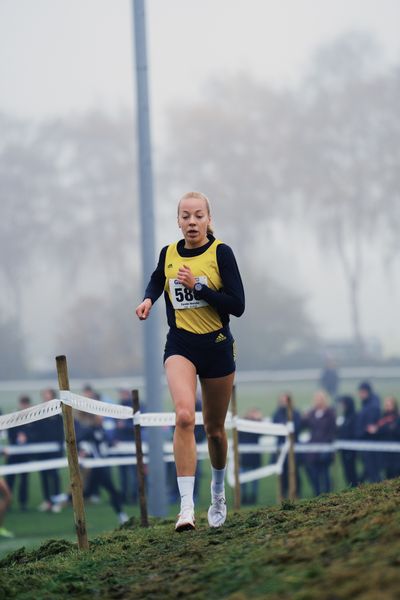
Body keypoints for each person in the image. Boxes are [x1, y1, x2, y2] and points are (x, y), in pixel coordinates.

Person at [135, 191, 245, 532]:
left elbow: (237, 305)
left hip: (216, 346)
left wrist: (198, 287)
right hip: (181, 344)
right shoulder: (168, 253)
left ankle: (216, 492)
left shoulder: (220, 253)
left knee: (214, 430)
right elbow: (158, 277)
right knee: (184, 416)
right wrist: (149, 299)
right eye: (186, 216)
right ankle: (186, 509)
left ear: (209, 219)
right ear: (179, 220)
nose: (192, 222)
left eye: (198, 215)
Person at [78, 414, 128, 525]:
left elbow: (104, 443)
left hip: (101, 467)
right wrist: (83, 450)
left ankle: (121, 516)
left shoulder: (101, 430)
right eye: (100, 419)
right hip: (93, 468)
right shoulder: (88, 430)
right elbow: (78, 441)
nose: (102, 421)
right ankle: (64, 502)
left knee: (110, 491)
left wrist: (112, 443)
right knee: (85, 493)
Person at [32, 389, 65, 512]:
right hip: (42, 451)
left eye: (47, 395)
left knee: (54, 476)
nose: (45, 397)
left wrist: (60, 447)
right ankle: (47, 501)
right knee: (43, 475)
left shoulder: (58, 414)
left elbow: (61, 433)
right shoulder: (39, 413)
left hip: (54, 451)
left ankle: (56, 501)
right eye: (44, 395)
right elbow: (35, 431)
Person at [302, 390, 336, 496]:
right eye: (316, 399)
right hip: (313, 449)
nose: (318, 401)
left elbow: (333, 430)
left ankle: (327, 495)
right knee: (313, 473)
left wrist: (326, 444)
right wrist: (304, 417)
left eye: (320, 399)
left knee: (325, 473)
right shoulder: (311, 413)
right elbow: (304, 426)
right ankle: (316, 494)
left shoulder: (330, 413)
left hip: (325, 448)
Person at [5, 395, 34, 511]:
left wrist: (26, 436)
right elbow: (10, 432)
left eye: (26, 404)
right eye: (22, 404)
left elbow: (34, 433)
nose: (24, 406)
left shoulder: (32, 417)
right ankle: (7, 502)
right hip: (13, 453)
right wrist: (18, 437)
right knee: (10, 480)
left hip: (25, 454)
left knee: (24, 480)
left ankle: (23, 503)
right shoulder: (14, 417)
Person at [272, 393, 302, 499]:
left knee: (295, 471)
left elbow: (297, 427)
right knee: (282, 473)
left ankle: (296, 493)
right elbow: (275, 427)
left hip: (293, 447)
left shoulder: (296, 413)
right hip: (281, 448)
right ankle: (283, 494)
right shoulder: (276, 413)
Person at [367, 396, 400, 480]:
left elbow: (395, 430)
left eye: (389, 405)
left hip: (396, 455)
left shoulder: (397, 418)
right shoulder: (382, 419)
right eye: (386, 405)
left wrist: (379, 430)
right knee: (388, 477)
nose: (387, 407)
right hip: (386, 455)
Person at [355, 381, 381, 483]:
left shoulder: (372, 407)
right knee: (368, 471)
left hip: (370, 443)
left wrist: (360, 433)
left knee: (373, 472)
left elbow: (369, 427)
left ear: (367, 392)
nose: (360, 394)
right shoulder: (367, 405)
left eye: (362, 392)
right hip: (366, 442)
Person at [238, 408, 263, 505]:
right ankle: (243, 497)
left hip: (254, 457)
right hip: (244, 457)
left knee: (254, 479)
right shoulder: (242, 425)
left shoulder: (257, 426)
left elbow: (261, 433)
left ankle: (253, 497)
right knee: (243, 479)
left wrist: (258, 420)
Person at [336, 395, 359, 488]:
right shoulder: (344, 417)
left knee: (351, 472)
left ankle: (355, 489)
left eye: (343, 404)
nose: (342, 406)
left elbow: (353, 433)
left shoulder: (353, 417)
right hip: (344, 450)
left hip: (350, 450)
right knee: (347, 473)